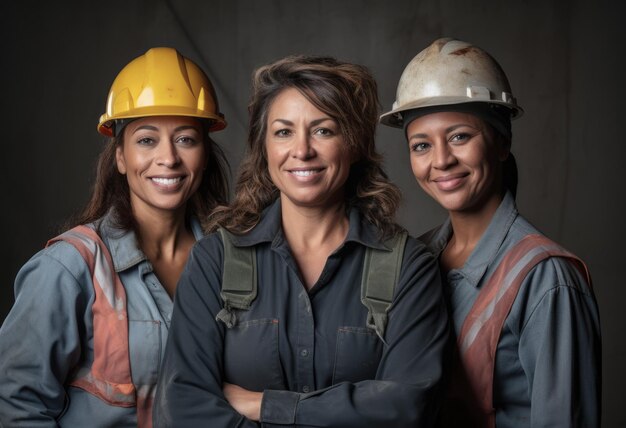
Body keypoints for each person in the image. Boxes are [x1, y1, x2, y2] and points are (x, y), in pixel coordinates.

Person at [153, 55, 449, 427]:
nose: (302, 149)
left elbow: (408, 408)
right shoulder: (216, 260)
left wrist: (266, 405)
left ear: (355, 144)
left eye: (324, 130)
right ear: (264, 148)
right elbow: (181, 408)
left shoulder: (409, 267)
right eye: (283, 131)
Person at [0, 47, 229, 427]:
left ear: (204, 155)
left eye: (186, 139)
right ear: (120, 156)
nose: (168, 158)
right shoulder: (70, 268)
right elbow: (13, 405)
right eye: (146, 140)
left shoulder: (232, 261)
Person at [380, 37, 602, 427]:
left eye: (459, 136)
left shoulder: (546, 279)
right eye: (421, 145)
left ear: (502, 143)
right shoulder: (414, 258)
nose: (441, 161)